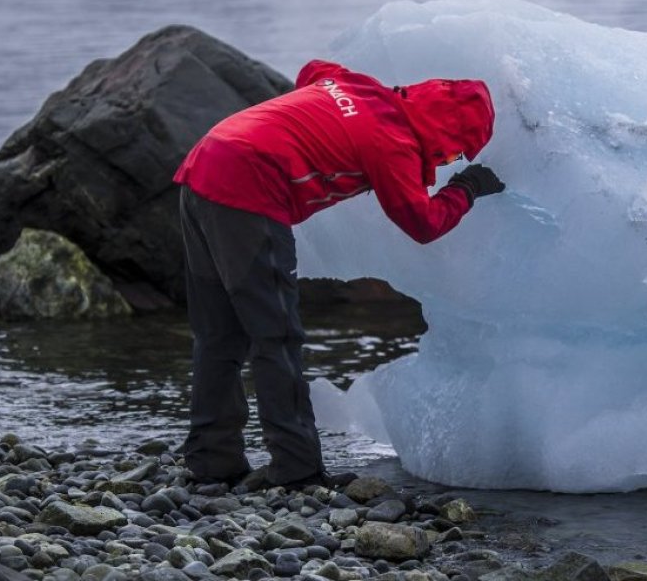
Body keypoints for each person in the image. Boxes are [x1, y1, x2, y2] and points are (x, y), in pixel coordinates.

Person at [172, 59, 504, 489]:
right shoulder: (393, 143)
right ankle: (297, 470)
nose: (448, 163)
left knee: (219, 334)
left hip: (203, 166)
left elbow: (313, 70)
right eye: (457, 154)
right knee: (277, 336)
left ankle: (211, 461)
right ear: (445, 135)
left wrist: (321, 123)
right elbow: (424, 223)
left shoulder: (360, 87)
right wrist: (467, 187)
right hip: (249, 191)